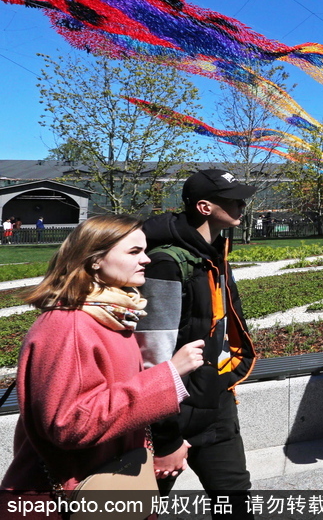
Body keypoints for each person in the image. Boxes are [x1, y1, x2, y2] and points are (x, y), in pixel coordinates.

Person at [1, 216, 203, 501]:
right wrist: (168, 376)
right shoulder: (69, 325)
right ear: (94, 260)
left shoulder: (110, 316)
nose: (146, 260)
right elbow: (70, 425)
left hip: (107, 483)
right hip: (70, 495)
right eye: (134, 252)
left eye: (144, 250)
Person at [135, 169, 257, 512]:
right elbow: (152, 359)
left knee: (235, 502)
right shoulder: (166, 263)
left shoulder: (215, 252)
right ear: (204, 207)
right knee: (143, 509)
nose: (241, 205)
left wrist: (224, 380)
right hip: (170, 416)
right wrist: (166, 439)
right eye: (233, 199)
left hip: (215, 406)